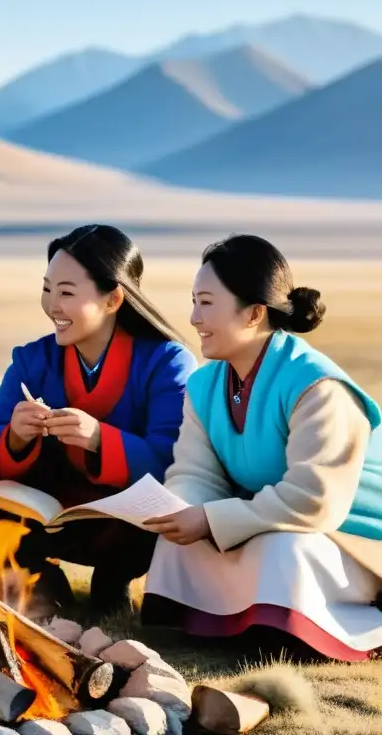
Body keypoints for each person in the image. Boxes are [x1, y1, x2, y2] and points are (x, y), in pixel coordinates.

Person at [143, 234, 382, 661]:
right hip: (268, 519)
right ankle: (231, 621)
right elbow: (195, 472)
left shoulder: (317, 386)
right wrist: (181, 511)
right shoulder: (204, 386)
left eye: (207, 303)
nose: (194, 318)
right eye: (194, 302)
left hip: (352, 537)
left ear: (254, 313)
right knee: (184, 540)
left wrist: (213, 519)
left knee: (281, 550)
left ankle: (323, 626)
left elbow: (315, 501)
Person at [0, 224, 197, 615]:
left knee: (167, 506)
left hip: (124, 528)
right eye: (47, 289)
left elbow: (175, 461)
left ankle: (113, 580)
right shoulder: (31, 359)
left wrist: (98, 439)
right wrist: (16, 439)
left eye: (67, 293)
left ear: (113, 300)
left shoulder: (166, 362)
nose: (52, 305)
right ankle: (40, 579)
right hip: (47, 517)